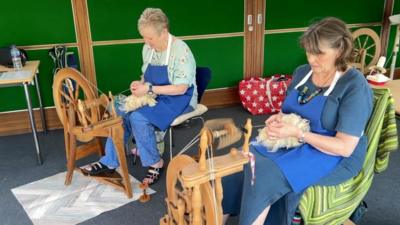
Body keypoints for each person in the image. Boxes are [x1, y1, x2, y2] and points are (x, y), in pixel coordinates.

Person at [222, 17, 373, 225]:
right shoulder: (303, 73)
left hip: (334, 153)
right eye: (309, 51)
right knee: (244, 159)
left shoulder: (354, 86)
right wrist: (279, 119)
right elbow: (289, 111)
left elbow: (345, 147)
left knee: (264, 173)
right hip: (296, 142)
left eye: (319, 53)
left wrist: (298, 134)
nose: (312, 59)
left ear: (339, 50)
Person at [81, 8, 197, 185]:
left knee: (138, 118)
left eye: (150, 38)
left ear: (164, 31)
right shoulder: (147, 49)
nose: (146, 42)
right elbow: (146, 76)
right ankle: (110, 161)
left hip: (180, 98)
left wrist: (149, 88)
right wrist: (140, 83)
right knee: (118, 110)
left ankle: (155, 162)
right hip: (155, 94)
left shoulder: (181, 51)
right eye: (144, 37)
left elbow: (181, 88)